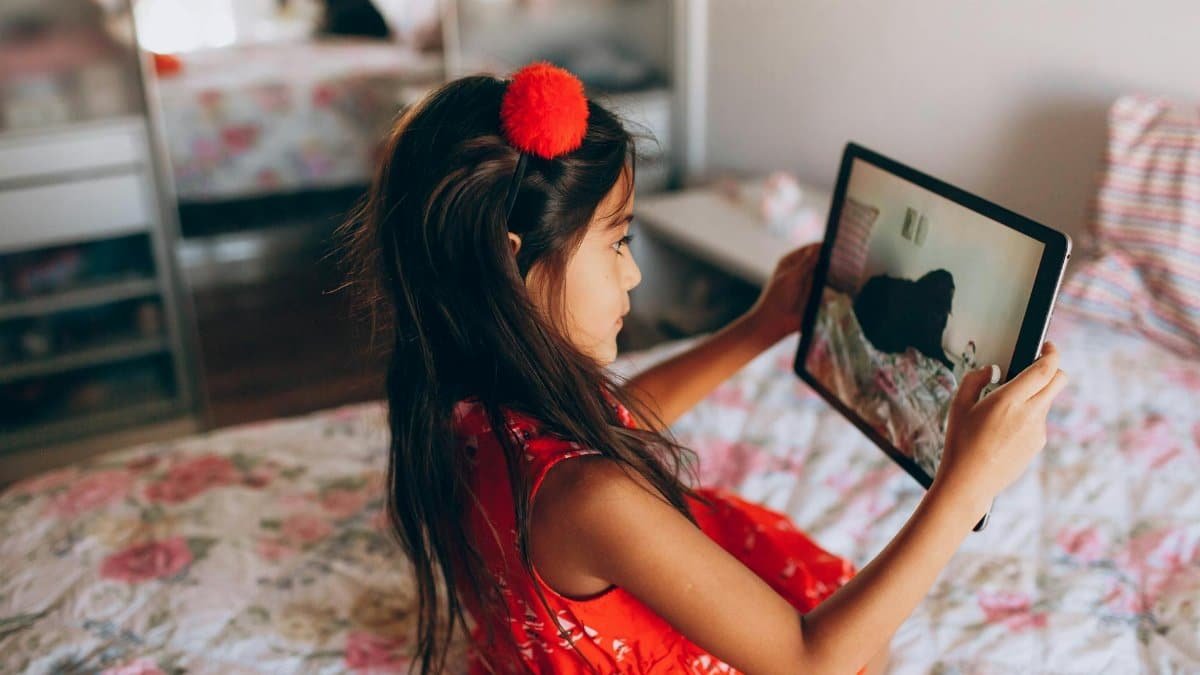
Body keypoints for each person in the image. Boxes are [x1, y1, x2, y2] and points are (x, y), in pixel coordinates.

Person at [339, 62, 1069, 674]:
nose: (631, 277)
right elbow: (810, 661)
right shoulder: (592, 497)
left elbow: (619, 415)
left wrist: (760, 325)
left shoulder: (459, 382)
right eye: (615, 243)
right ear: (510, 257)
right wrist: (964, 482)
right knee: (864, 646)